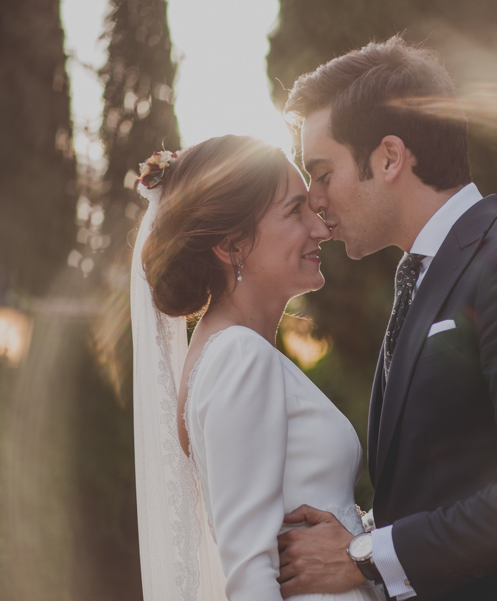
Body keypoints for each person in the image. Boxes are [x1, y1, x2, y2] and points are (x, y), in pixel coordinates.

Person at [277, 36, 497, 601]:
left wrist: (363, 558)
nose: (315, 200)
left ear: (390, 157)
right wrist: (366, 534)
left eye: (323, 173)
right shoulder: (417, 282)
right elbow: (437, 486)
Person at [130, 135, 385, 601]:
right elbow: (250, 574)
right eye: (294, 212)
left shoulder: (232, 354)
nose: (321, 228)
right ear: (231, 247)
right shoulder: (239, 358)